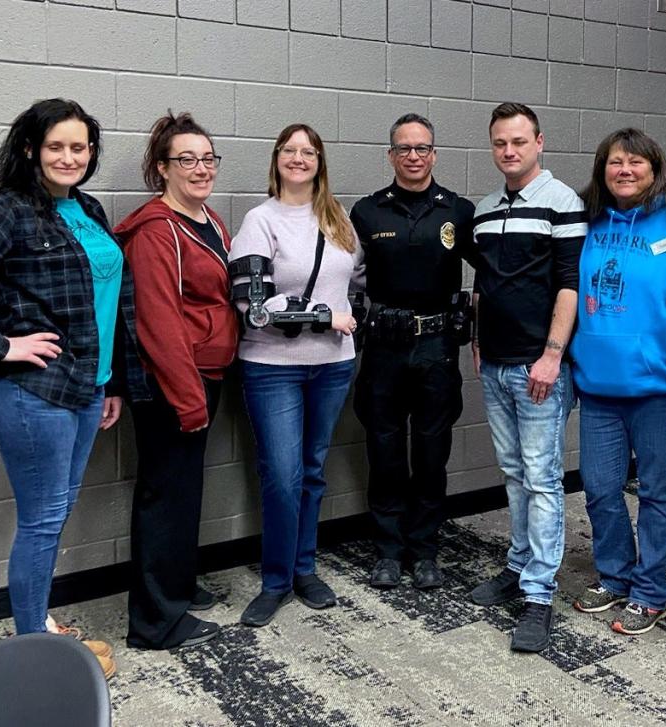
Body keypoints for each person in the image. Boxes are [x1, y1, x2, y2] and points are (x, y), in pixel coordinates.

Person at [0, 99, 148, 679]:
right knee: (44, 519)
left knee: (56, 512)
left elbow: (111, 305)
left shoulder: (87, 208)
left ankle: (38, 623)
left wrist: (112, 383)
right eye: (57, 146)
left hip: (85, 387)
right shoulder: (9, 211)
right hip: (33, 393)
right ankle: (32, 648)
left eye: (80, 147)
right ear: (30, 148)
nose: (70, 157)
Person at [229, 124, 362, 627]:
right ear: (277, 158)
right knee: (281, 478)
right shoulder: (259, 220)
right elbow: (254, 306)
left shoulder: (339, 220)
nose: (299, 159)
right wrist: (325, 317)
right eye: (290, 150)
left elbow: (357, 285)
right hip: (272, 369)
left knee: (311, 471)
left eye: (309, 152)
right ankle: (276, 580)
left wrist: (347, 321)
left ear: (320, 161)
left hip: (332, 366)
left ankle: (304, 569)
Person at [115, 112, 238, 650]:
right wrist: (188, 400)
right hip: (172, 384)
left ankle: (177, 586)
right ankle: (156, 622)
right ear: (161, 168)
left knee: (185, 491)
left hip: (203, 375)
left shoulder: (207, 218)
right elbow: (160, 323)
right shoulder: (155, 230)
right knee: (165, 495)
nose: (200, 167)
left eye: (208, 157)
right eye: (186, 159)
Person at [468, 102, 587, 652]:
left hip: (538, 366)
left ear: (540, 142)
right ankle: (518, 567)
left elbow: (569, 284)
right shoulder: (485, 209)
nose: (509, 151)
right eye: (499, 143)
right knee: (514, 473)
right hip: (494, 363)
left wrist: (552, 355)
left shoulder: (563, 202)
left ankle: (539, 595)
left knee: (542, 480)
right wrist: (476, 341)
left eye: (518, 141)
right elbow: (486, 282)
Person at [570, 129, 666, 635]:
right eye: (615, 162)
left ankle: (650, 590)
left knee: (660, 492)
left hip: (659, 388)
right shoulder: (587, 220)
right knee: (599, 489)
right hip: (598, 383)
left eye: (636, 162)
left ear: (655, 167)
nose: (625, 170)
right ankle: (615, 575)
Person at [350, 113, 477, 590]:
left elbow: (493, 270)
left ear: (434, 154)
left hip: (436, 347)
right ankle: (387, 550)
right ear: (390, 155)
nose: (414, 156)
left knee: (431, 453)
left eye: (422, 148)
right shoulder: (367, 212)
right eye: (404, 149)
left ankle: (424, 551)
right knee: (383, 450)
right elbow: (342, 275)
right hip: (384, 348)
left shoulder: (458, 212)